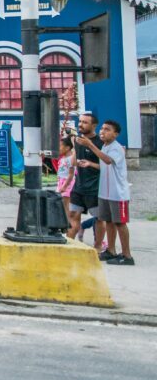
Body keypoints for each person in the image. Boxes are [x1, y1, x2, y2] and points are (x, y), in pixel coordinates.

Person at [76, 120, 133, 265]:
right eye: (102, 128)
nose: (103, 131)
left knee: (120, 223)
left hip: (118, 194)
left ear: (116, 134)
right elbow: (103, 166)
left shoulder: (116, 148)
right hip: (105, 193)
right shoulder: (105, 147)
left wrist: (90, 144)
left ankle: (127, 255)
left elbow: (108, 161)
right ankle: (111, 251)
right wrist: (89, 164)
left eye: (107, 129)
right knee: (108, 221)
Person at [69, 112, 105, 252]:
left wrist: (91, 164)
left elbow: (108, 165)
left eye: (85, 122)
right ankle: (69, 245)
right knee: (72, 215)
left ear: (94, 125)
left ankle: (98, 247)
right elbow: (74, 162)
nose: (80, 125)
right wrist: (73, 149)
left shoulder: (100, 143)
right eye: (80, 121)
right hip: (78, 186)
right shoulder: (78, 140)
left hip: (95, 188)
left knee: (99, 218)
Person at [55, 137, 78, 237]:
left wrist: (65, 186)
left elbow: (71, 174)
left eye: (60, 146)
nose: (58, 148)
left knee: (67, 209)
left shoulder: (70, 159)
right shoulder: (63, 158)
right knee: (63, 208)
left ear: (68, 147)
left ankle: (69, 230)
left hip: (67, 184)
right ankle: (66, 228)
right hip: (61, 182)